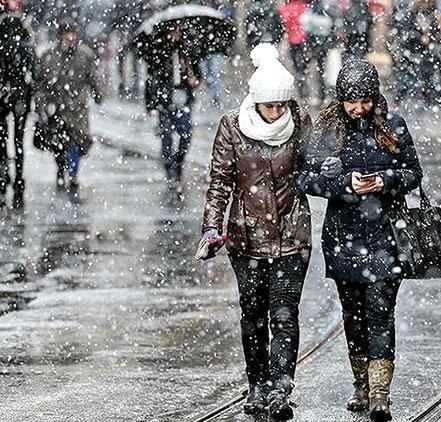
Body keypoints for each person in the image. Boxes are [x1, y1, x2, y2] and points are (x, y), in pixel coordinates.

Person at [299, 59, 423, 421]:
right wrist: (344, 185)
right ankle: (361, 385)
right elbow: (307, 179)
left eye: (365, 100)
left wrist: (384, 181)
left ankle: (380, 394)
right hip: (343, 239)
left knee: (381, 314)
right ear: (341, 99)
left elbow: (413, 172)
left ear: (374, 96)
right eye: (351, 100)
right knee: (353, 317)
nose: (358, 108)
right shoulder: (327, 131)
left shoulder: (394, 126)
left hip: (387, 237)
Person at [199, 43, 312, 420]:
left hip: (292, 237)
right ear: (255, 101)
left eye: (281, 105)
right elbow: (220, 182)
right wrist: (211, 228)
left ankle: (281, 386)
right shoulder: (233, 126)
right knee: (253, 314)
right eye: (270, 106)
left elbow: (316, 167)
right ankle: (257, 383)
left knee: (284, 313)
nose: (276, 112)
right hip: (246, 240)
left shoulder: (300, 123)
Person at [37, 17, 102, 192]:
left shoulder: (84, 55)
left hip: (78, 107)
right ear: (60, 35)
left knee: (78, 142)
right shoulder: (50, 56)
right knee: (59, 143)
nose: (70, 37)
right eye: (67, 34)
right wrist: (41, 105)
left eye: (72, 33)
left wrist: (97, 93)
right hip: (57, 106)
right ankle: (60, 170)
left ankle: (73, 174)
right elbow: (42, 84)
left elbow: (92, 77)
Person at [143, 24, 200, 188]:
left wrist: (194, 81)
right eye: (172, 30)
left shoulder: (187, 51)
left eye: (178, 30)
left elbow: (197, 73)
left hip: (183, 99)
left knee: (185, 136)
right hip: (165, 100)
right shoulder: (159, 52)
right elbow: (151, 79)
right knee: (166, 136)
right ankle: (170, 170)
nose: (175, 34)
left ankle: (178, 162)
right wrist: (150, 104)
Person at [0, 1, 35, 208]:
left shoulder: (19, 25)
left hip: (9, 92)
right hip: (18, 92)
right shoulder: (23, 27)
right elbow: (31, 64)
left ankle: (7, 180)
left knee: (6, 141)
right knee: (17, 141)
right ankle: (16, 180)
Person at [279, 0, 309, 99]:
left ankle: (302, 91)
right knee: (303, 67)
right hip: (304, 40)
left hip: (293, 41)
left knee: (297, 67)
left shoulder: (286, 9)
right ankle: (304, 90)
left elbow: (284, 23)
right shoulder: (303, 7)